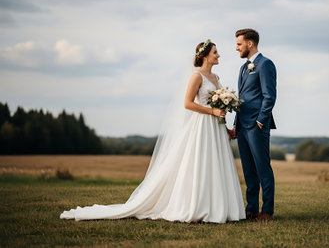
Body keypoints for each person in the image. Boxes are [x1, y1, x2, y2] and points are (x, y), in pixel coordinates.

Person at [60, 40, 245, 223]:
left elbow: (219, 106)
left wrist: (226, 128)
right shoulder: (197, 77)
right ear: (205, 56)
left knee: (217, 164)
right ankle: (199, 206)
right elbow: (187, 103)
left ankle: (220, 207)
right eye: (215, 52)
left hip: (216, 128)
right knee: (201, 165)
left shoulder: (216, 78)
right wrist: (211, 111)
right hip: (202, 127)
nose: (218, 55)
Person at [230, 29, 277, 222]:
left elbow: (269, 95)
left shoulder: (265, 64)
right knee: (248, 169)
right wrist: (235, 124)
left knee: (262, 168)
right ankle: (251, 209)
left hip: (257, 126)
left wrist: (260, 120)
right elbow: (242, 99)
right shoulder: (243, 68)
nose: (236, 48)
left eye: (239, 44)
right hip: (242, 126)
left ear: (250, 44)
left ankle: (267, 211)